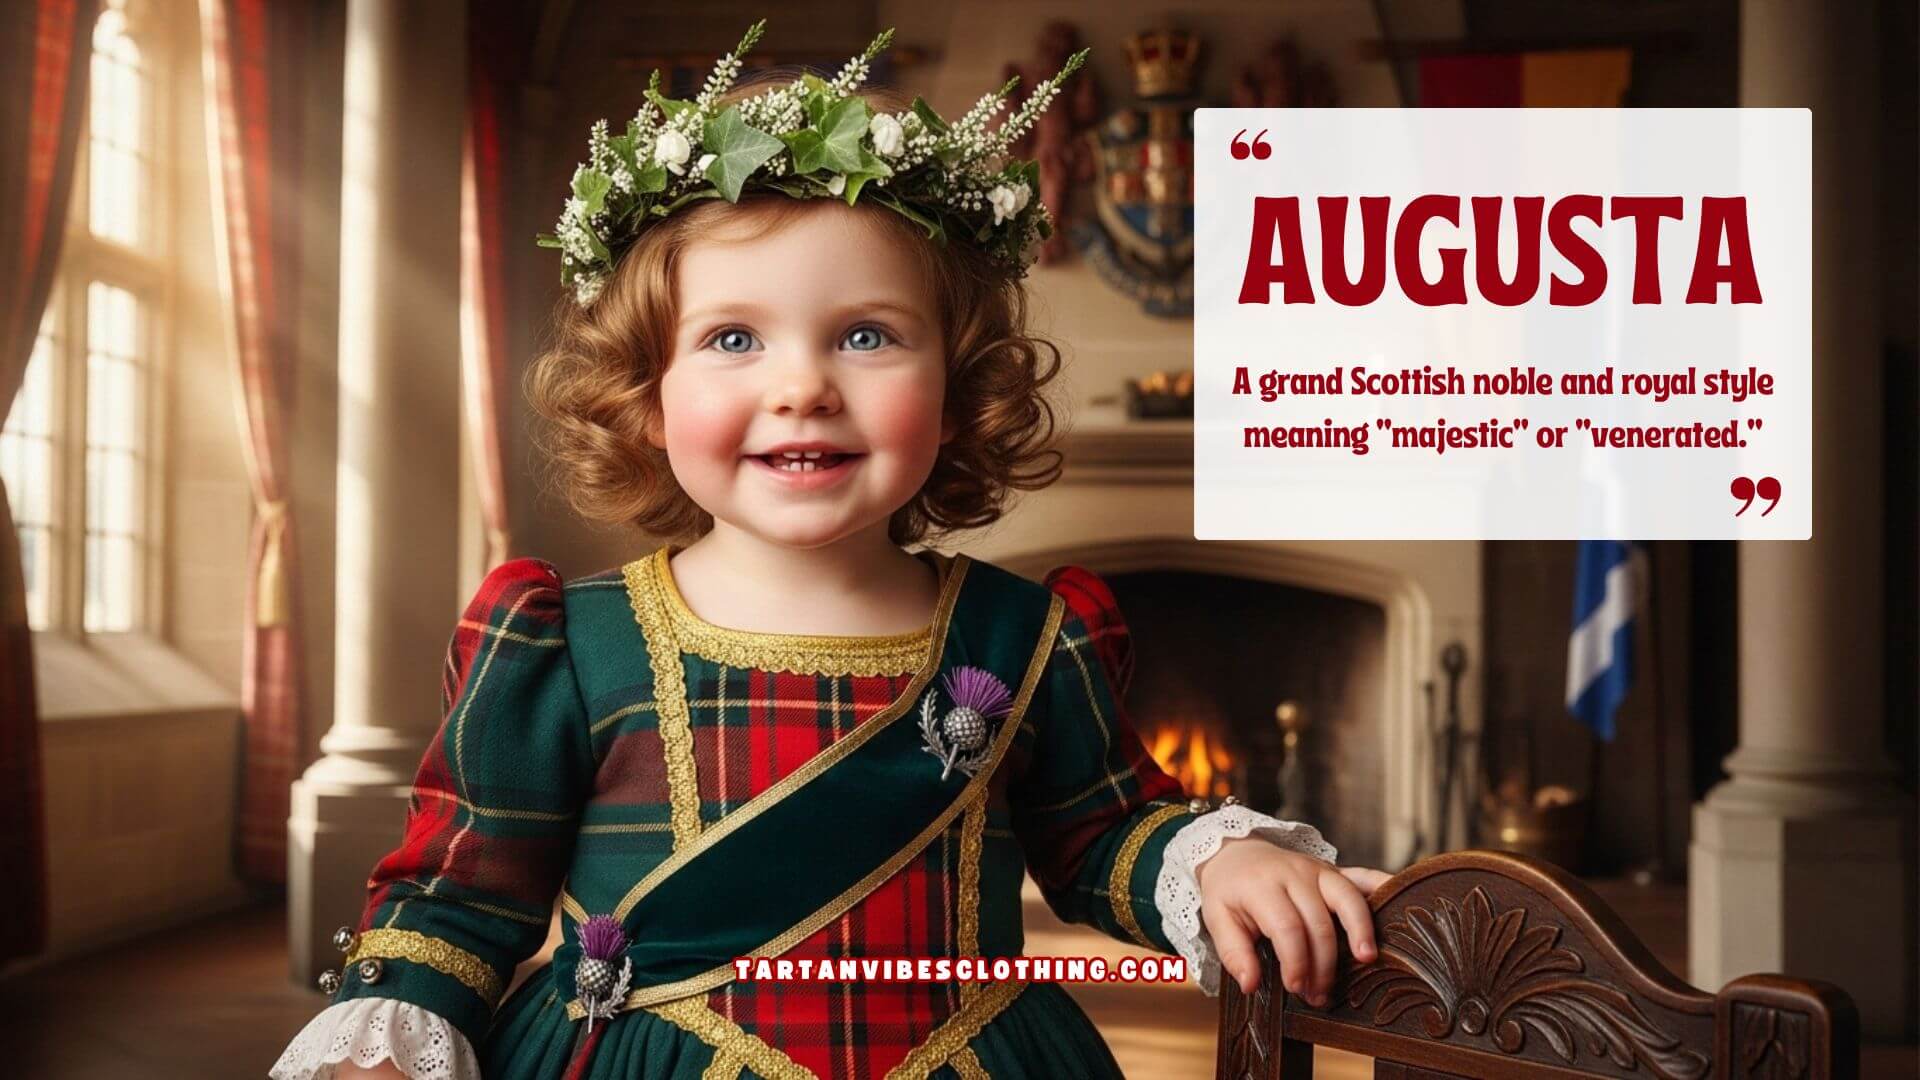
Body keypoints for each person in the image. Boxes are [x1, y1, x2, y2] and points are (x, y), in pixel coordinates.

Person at [271, 23, 1388, 1080]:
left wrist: (1214, 859)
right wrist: (395, 1026)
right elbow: (460, 902)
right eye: (732, 338)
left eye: (866, 335)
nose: (802, 385)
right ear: (647, 397)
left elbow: (1103, 835)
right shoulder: (564, 643)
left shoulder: (1031, 637)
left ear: (957, 395)